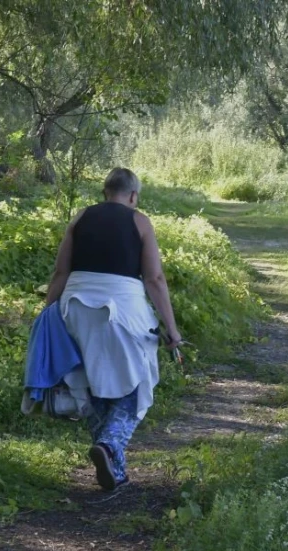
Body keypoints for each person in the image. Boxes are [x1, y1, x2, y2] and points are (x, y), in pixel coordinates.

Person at [45, 167, 182, 490]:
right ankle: (108, 446)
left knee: (90, 378)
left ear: (105, 192)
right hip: (123, 308)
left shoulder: (80, 218)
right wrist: (172, 331)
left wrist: (47, 316)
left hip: (75, 305)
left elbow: (61, 271)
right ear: (133, 195)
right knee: (137, 382)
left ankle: (114, 469)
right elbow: (154, 279)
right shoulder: (140, 221)